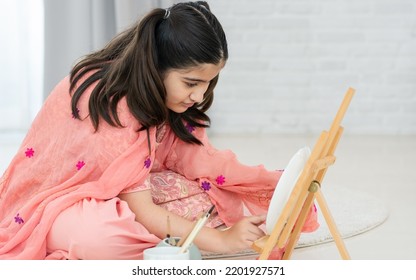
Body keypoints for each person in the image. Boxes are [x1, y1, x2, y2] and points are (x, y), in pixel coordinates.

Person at [0, 1, 318, 260]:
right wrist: (221, 240)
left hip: (123, 189)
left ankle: (169, 230)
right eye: (191, 83)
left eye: (208, 83)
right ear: (156, 66)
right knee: (107, 237)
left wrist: (265, 183)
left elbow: (198, 159)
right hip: (60, 201)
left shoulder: (164, 95)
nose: (200, 96)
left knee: (214, 193)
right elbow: (141, 208)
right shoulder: (118, 102)